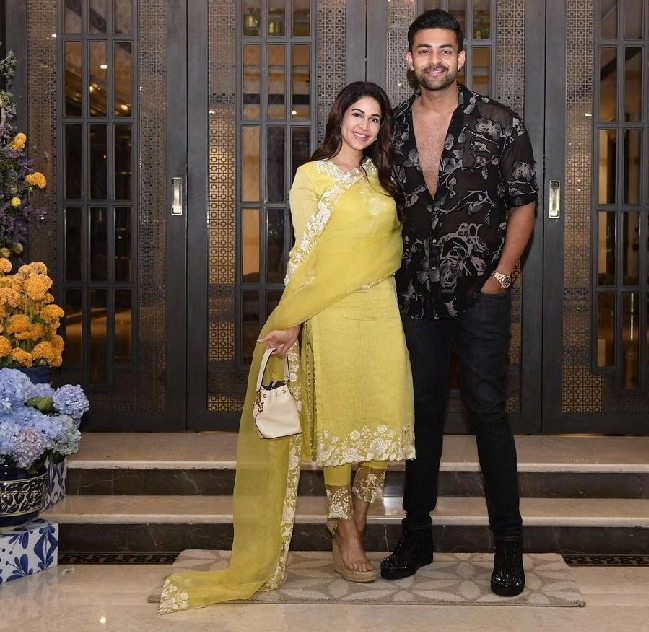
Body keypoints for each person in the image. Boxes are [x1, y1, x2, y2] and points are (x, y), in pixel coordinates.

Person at [159, 82, 415, 613]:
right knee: (341, 418)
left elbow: (394, 247)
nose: (364, 126)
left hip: (381, 309)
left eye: (374, 119)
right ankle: (345, 530)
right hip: (332, 312)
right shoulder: (312, 176)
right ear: (339, 118)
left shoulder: (382, 178)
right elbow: (306, 254)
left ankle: (358, 519)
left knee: (381, 414)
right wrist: (294, 319)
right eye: (357, 115)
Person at [380, 10, 538, 598]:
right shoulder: (391, 128)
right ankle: (416, 536)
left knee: (487, 412)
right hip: (414, 293)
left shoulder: (500, 122)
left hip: (481, 294)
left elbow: (523, 202)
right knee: (420, 414)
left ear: (461, 58)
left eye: (445, 50)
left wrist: (502, 276)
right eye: (424, 50)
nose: (435, 60)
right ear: (410, 60)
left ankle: (509, 545)